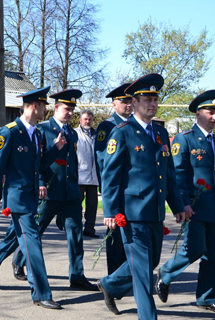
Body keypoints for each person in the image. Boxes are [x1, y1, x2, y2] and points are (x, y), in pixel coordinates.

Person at [97, 73, 186, 320]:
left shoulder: (159, 133)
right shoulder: (121, 132)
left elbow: (168, 174)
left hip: (155, 212)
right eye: (147, 99)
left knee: (150, 262)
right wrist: (111, 211)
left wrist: (177, 205)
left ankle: (110, 284)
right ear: (134, 102)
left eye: (155, 99)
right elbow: (110, 176)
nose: (152, 103)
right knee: (143, 275)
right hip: (132, 214)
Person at [0, 86, 62, 310]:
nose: (46, 110)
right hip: (17, 199)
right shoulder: (10, 132)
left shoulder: (37, 133)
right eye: (44, 106)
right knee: (33, 244)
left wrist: (55, 149)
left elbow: (39, 166)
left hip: (31, 198)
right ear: (35, 106)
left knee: (13, 240)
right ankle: (41, 293)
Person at [156, 90, 215, 316]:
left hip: (214, 209)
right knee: (195, 248)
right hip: (194, 207)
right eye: (211, 112)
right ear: (198, 113)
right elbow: (177, 175)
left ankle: (207, 298)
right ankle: (166, 273)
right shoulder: (185, 139)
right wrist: (183, 204)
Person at [12, 89, 98, 291]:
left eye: (72, 110)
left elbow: (73, 164)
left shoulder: (72, 133)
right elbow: (37, 162)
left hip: (70, 193)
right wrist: (41, 182)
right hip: (49, 191)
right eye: (66, 109)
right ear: (56, 108)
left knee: (76, 235)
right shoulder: (43, 130)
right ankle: (19, 258)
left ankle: (77, 275)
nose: (69, 113)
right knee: (36, 231)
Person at [94, 83, 132, 275]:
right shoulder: (107, 126)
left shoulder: (134, 125)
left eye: (130, 101)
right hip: (115, 188)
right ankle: (114, 275)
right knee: (115, 233)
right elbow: (102, 160)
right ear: (114, 104)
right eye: (124, 102)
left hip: (132, 189)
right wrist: (107, 188)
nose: (128, 105)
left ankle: (126, 276)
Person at [74, 109, 99, 238]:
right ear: (80, 120)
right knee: (77, 204)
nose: (87, 121)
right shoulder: (75, 133)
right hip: (80, 176)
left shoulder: (97, 135)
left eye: (89, 119)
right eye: (85, 119)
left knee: (92, 205)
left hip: (93, 177)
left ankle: (89, 229)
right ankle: (76, 229)